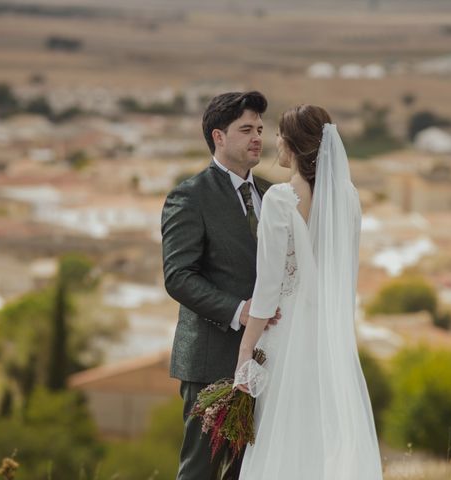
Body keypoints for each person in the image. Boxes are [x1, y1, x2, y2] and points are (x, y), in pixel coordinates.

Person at [234, 105, 383, 479]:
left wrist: (246, 349)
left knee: (283, 434)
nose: (276, 142)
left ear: (295, 145)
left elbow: (266, 289)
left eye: (281, 135)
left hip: (285, 335)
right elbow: (344, 272)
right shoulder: (347, 198)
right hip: (330, 333)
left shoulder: (280, 200)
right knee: (322, 430)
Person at [161, 91, 280, 480]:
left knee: (247, 472)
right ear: (219, 137)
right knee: (201, 471)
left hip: (266, 358)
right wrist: (239, 310)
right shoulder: (189, 196)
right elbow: (178, 275)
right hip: (211, 359)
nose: (257, 137)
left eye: (260, 129)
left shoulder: (271, 194)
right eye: (246, 129)